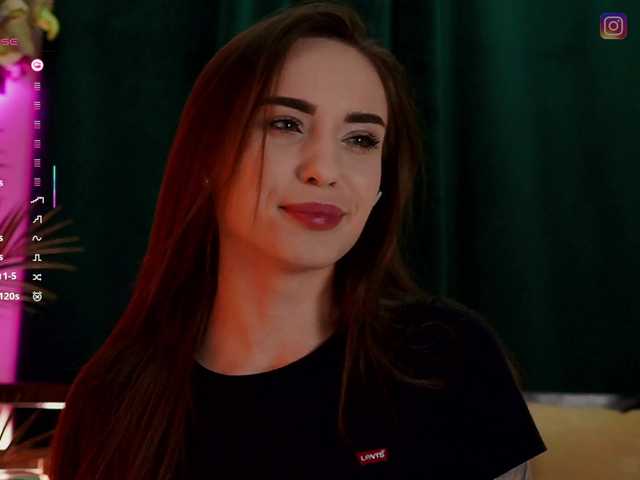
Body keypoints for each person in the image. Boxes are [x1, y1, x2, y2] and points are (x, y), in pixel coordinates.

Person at [48, 1, 546, 479]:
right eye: (285, 125)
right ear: (207, 157)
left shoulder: (447, 358)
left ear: (381, 184)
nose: (323, 170)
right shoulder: (111, 399)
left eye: (361, 140)